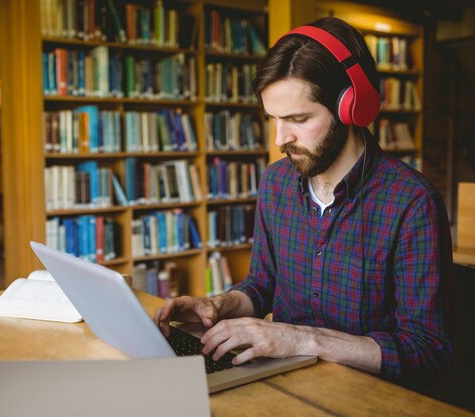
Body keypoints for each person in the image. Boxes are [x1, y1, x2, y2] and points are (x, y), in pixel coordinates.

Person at [154, 16, 453, 383]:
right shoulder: (276, 183)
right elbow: (262, 284)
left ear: (351, 108)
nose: (281, 139)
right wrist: (218, 305)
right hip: (283, 383)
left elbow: (428, 350)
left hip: (367, 397)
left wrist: (302, 339)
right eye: (273, 119)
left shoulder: (412, 202)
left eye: (297, 118)